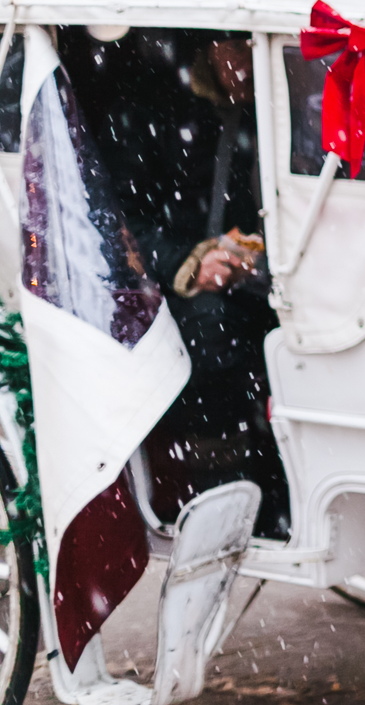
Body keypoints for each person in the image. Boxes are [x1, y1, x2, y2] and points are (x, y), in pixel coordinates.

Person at [57, 28, 289, 537]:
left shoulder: (261, 108)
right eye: (240, 48)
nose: (249, 64)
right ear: (211, 47)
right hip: (154, 287)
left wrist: (249, 251)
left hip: (236, 278)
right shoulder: (149, 110)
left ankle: (276, 488)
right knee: (216, 332)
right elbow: (116, 224)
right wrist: (189, 262)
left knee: (286, 329)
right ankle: (215, 493)